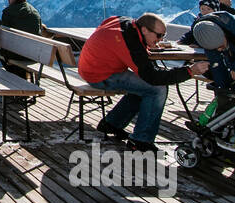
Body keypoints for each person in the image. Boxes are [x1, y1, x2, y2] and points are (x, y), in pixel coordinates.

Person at [78, 14, 207, 151]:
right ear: (144, 30)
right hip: (100, 76)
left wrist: (145, 45)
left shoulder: (124, 23)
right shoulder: (130, 42)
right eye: (158, 36)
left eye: (163, 36)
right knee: (157, 89)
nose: (160, 40)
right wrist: (190, 71)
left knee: (143, 87)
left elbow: (108, 21)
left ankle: (112, 123)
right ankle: (141, 140)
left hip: (91, 68)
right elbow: (152, 77)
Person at [0, 0, 42, 79]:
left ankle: (17, 82)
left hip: (15, 54)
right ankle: (21, 82)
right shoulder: (34, 11)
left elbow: (4, 36)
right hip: (34, 54)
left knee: (0, 54)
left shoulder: (8, 12)